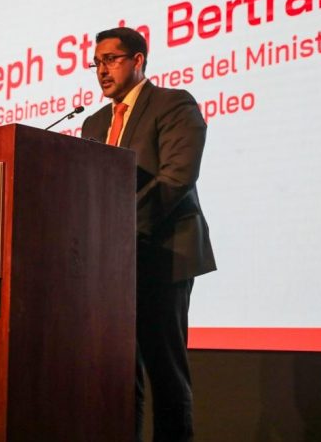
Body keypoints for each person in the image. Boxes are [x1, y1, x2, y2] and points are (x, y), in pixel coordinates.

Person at [81, 27, 216, 441]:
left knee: (166, 373)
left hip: (162, 255)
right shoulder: (93, 123)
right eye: (96, 62)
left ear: (138, 60)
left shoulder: (173, 103)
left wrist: (119, 231)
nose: (102, 70)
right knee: (119, 377)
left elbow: (178, 176)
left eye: (111, 59)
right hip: (111, 269)